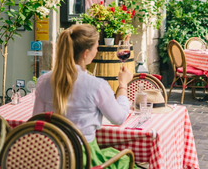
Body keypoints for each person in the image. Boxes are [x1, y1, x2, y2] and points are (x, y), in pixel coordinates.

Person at [33, 24, 135, 168]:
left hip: (52, 159)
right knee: (126, 160)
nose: (97, 51)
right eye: (96, 48)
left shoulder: (43, 81)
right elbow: (118, 119)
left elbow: (36, 121)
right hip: (84, 160)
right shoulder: (96, 85)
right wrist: (123, 84)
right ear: (86, 53)